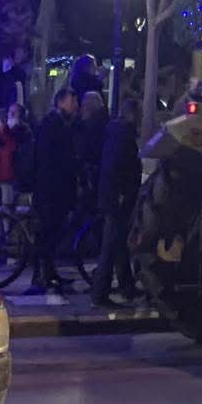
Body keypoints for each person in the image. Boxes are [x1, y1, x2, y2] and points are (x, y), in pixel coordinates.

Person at [88, 96, 143, 306]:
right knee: (110, 246)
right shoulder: (124, 137)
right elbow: (121, 169)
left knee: (118, 244)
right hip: (117, 199)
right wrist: (122, 194)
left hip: (112, 196)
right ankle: (100, 293)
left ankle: (127, 286)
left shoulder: (116, 133)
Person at [26, 87, 80, 292]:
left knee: (51, 233)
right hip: (51, 191)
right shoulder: (54, 125)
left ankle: (48, 273)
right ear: (60, 102)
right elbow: (57, 160)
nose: (75, 106)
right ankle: (41, 275)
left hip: (53, 190)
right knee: (47, 233)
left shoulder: (57, 124)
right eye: (72, 101)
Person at [75, 91, 109, 212]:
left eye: (84, 105)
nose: (81, 108)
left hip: (92, 178)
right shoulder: (105, 123)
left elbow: (84, 151)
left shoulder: (90, 126)